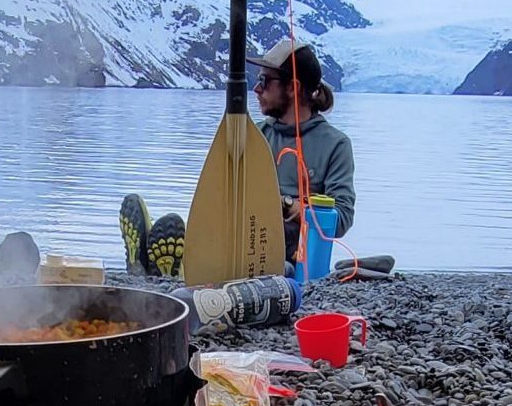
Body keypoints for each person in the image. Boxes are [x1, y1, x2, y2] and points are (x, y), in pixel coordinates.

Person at [120, 39, 356, 278]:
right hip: (236, 237)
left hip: (287, 257)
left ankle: (166, 267)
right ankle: (162, 264)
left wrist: (286, 205)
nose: (256, 89)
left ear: (293, 87)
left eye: (264, 81)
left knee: (282, 261)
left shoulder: (335, 145)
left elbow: (342, 217)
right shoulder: (254, 137)